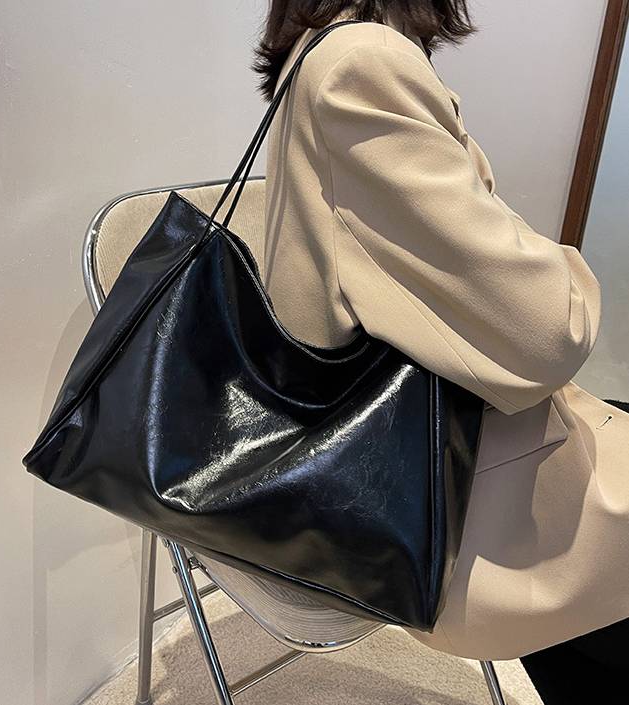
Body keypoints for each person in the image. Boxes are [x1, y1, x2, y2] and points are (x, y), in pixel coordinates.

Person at [253, 2, 629, 703]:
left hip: (380, 450)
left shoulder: (316, 51)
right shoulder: (363, 63)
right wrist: (568, 269)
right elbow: (551, 331)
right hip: (415, 496)